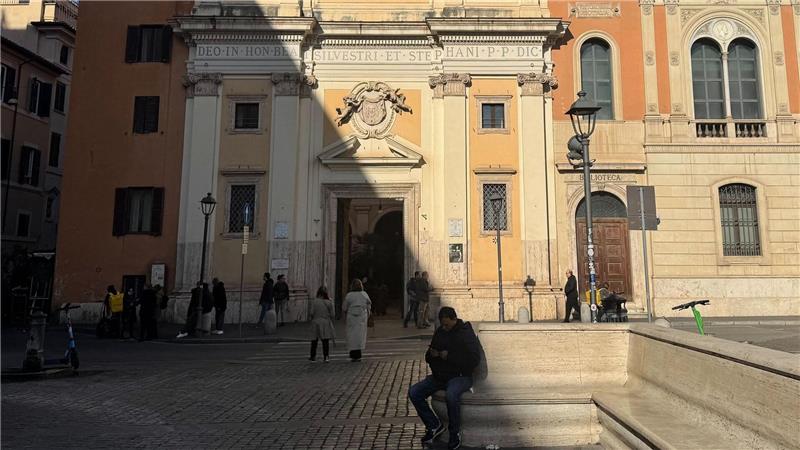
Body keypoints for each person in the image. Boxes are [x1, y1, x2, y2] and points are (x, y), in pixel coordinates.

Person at [408, 307, 480, 450]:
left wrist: (450, 356)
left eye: (447, 324)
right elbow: (427, 356)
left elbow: (474, 359)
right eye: (443, 325)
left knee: (451, 395)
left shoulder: (465, 332)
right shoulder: (440, 332)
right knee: (414, 392)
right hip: (440, 376)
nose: (444, 328)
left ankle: (454, 433)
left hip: (460, 376)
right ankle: (434, 425)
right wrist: (432, 354)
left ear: (454, 319)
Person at [343, 278, 371, 362]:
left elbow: (344, 307)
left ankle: (352, 354)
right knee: (360, 335)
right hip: (362, 317)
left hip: (351, 316)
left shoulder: (349, 295)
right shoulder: (364, 294)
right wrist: (368, 314)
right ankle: (358, 354)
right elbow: (369, 305)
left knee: (351, 336)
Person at [308, 286, 336, 362]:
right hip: (325, 322)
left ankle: (313, 356)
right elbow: (333, 314)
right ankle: (326, 356)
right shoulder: (329, 302)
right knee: (325, 341)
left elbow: (311, 313)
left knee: (314, 340)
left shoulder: (315, 301)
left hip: (316, 322)